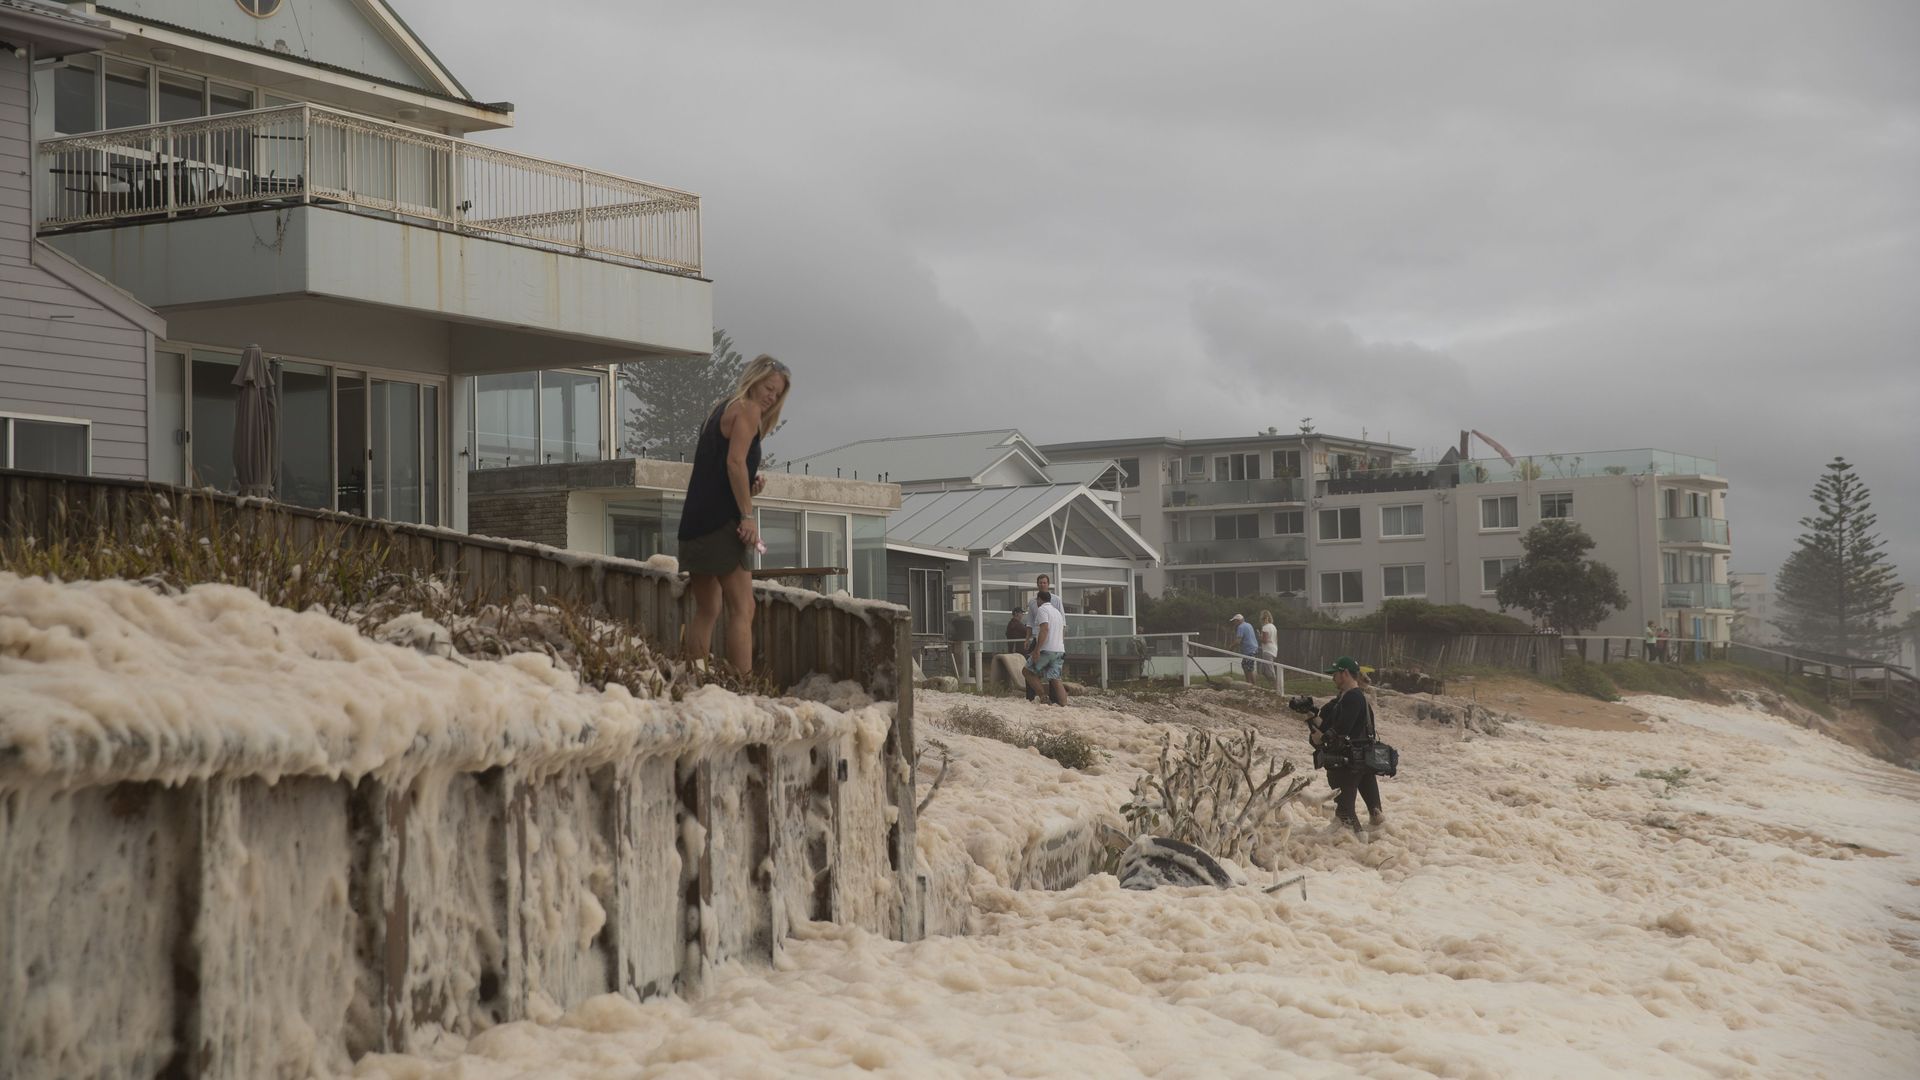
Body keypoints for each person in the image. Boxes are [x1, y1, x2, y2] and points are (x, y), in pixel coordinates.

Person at [677, 355, 790, 674]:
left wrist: (746, 490)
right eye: (769, 388)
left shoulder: (721, 408)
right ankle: (744, 689)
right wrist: (747, 515)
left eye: (777, 394)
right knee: (744, 608)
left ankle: (695, 679)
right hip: (720, 526)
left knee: (708, 609)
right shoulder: (748, 409)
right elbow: (735, 464)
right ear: (754, 380)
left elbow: (720, 470)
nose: (771, 397)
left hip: (694, 523)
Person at [1313, 656, 1384, 832]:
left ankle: (1359, 851)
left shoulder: (1352, 698)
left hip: (1348, 764)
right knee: (1377, 815)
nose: (1332, 678)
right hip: (1364, 761)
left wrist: (1322, 739)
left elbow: (1341, 729)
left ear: (1344, 674)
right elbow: (1333, 725)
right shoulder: (1355, 698)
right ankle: (1380, 844)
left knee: (1345, 815)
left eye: (1335, 674)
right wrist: (1311, 717)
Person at [1024, 582, 1068, 706]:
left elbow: (1044, 629)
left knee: (1027, 672)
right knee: (1056, 679)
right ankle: (1064, 705)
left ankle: (1043, 697)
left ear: (1039, 599)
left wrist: (1037, 649)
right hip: (1059, 649)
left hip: (1046, 649)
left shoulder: (1042, 610)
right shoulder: (1057, 613)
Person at [1231, 613, 1259, 682]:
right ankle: (1251, 683)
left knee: (1247, 667)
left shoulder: (1241, 627)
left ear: (1238, 620)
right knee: (1248, 666)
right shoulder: (1249, 625)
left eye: (1234, 621)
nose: (1234, 623)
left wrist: (1231, 647)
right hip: (1254, 648)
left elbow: (1238, 641)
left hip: (1249, 650)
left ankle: (1249, 683)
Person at [1257, 609, 1279, 686]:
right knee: (1263, 670)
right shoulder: (1273, 626)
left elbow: (1265, 640)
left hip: (1268, 651)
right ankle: (1272, 684)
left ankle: (1276, 686)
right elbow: (1275, 639)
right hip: (1273, 649)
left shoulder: (1265, 627)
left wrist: (1260, 637)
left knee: (1269, 671)